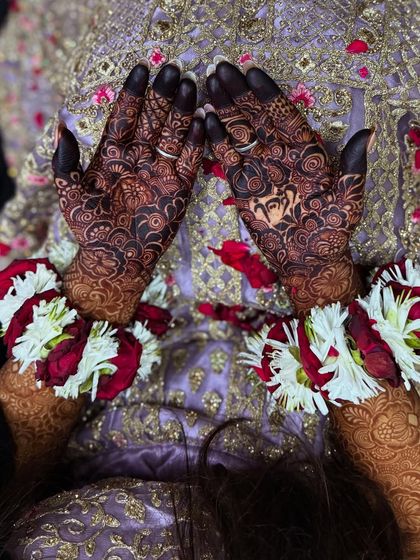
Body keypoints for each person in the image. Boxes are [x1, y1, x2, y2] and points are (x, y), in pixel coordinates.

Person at [0, 2, 418, 558]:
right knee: (337, 80)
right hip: (339, 398)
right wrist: (319, 277)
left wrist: (105, 276)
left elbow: (11, 478)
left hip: (95, 353)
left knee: (137, 70)